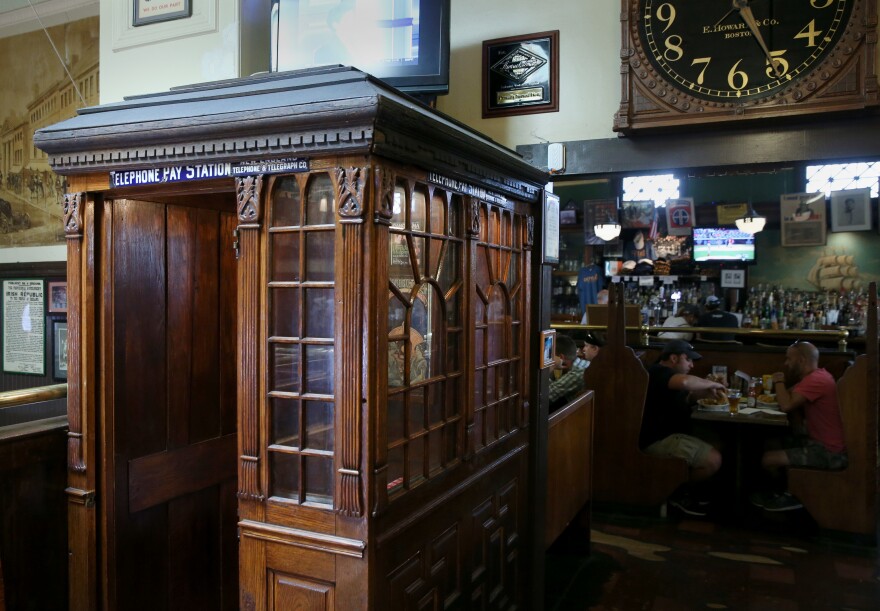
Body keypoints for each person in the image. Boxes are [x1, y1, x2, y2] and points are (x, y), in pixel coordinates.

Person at [751, 341, 847, 512]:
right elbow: (788, 396)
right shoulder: (816, 377)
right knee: (771, 443)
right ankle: (783, 491)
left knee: (767, 460)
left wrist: (779, 381)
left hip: (828, 452)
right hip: (815, 442)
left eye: (789, 359)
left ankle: (793, 496)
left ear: (801, 360)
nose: (786, 363)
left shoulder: (816, 380)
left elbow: (786, 405)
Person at [639, 339, 726, 515]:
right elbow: (686, 383)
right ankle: (677, 493)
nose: (692, 365)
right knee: (713, 460)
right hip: (656, 439)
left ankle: (689, 489)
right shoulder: (658, 371)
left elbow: (685, 398)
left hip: (671, 432)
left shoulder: (669, 377)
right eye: (688, 360)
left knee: (717, 441)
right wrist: (711, 383)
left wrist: (705, 392)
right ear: (673, 358)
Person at [549, 333, 600, 410]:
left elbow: (547, 395)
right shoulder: (583, 364)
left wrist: (551, 367)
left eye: (549, 356)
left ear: (561, 357)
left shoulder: (577, 373)